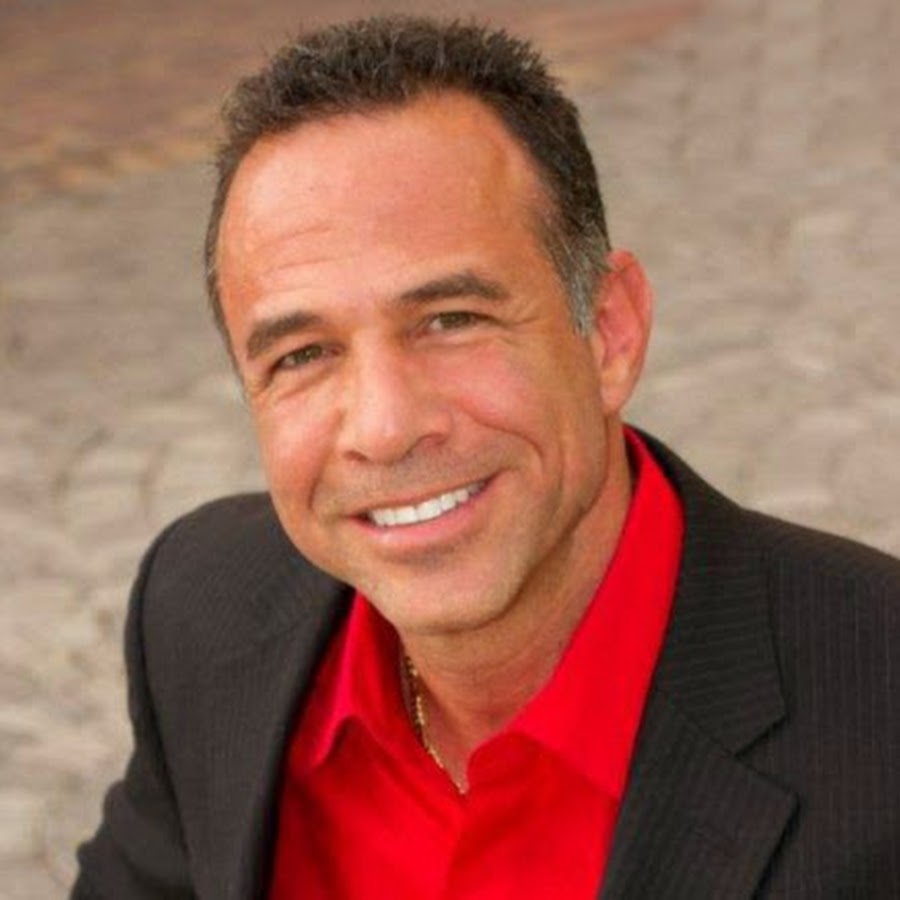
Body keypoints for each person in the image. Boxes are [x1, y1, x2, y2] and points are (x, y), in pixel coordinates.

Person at [72, 16, 900, 900]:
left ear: (609, 331)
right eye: (303, 354)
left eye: (451, 320)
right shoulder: (203, 610)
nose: (385, 427)